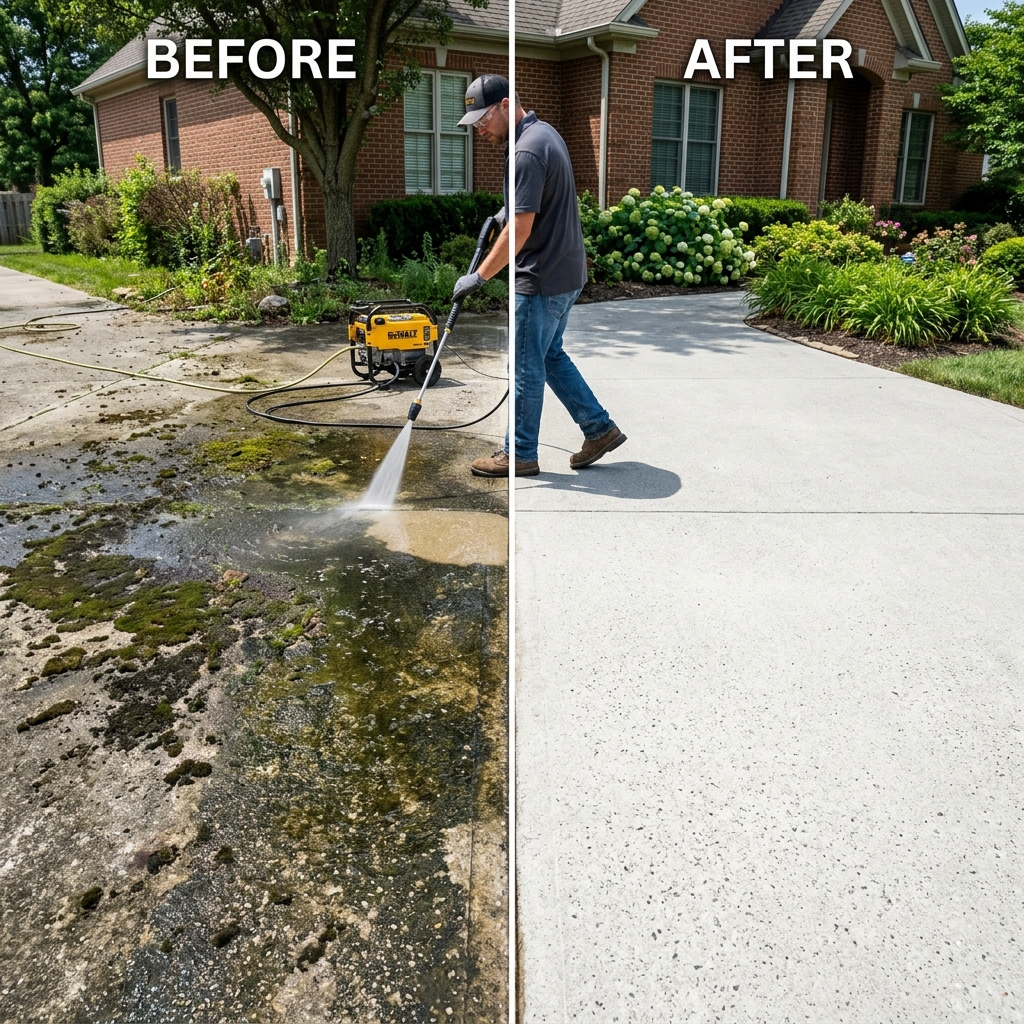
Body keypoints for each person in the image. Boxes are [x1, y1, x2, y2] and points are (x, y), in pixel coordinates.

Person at [451, 74, 625, 478]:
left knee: (526, 366)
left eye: (483, 118)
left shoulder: (524, 152)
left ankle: (519, 454)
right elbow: (531, 204)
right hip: (566, 270)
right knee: (549, 354)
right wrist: (507, 209)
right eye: (474, 121)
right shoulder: (543, 134)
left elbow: (520, 231)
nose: (479, 127)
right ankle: (599, 428)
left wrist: (479, 276)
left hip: (542, 276)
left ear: (507, 105)